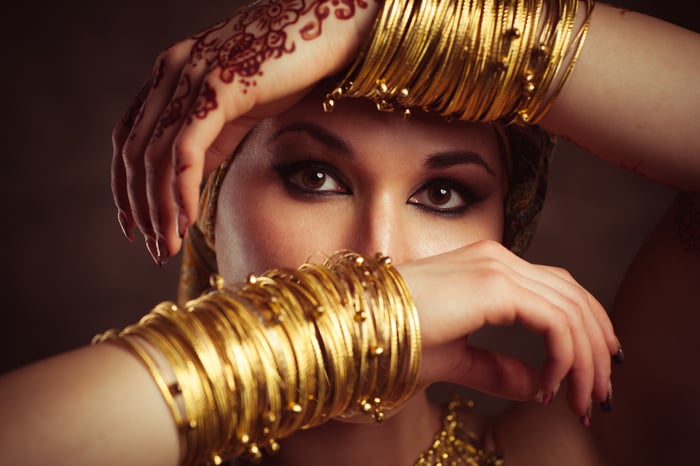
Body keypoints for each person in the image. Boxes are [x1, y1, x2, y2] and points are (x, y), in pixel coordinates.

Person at [0, 1, 697, 466]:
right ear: (208, 202)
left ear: (505, 239)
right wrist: (337, 336)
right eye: (313, 178)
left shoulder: (588, 447)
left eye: (444, 194)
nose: (379, 256)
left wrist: (378, 18)